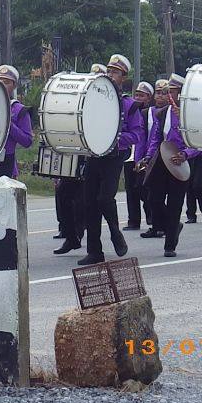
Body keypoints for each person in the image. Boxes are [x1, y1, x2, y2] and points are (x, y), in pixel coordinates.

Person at [77, 54, 142, 265]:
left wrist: (113, 138)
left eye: (115, 72)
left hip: (114, 155)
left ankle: (115, 232)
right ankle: (94, 251)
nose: (110, 75)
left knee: (104, 198)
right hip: (94, 154)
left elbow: (137, 134)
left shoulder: (130, 105)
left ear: (123, 77)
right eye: (109, 71)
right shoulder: (93, 100)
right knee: (88, 203)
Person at [141, 73, 197, 257]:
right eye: (167, 91)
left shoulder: (192, 113)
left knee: (175, 204)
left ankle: (170, 245)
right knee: (153, 199)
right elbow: (156, 137)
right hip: (162, 161)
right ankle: (172, 226)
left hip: (181, 162)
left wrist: (186, 154)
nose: (168, 94)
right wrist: (148, 157)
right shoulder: (163, 112)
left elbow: (198, 140)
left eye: (171, 91)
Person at [141, 80, 171, 239]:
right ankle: (159, 225)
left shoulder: (175, 112)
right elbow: (151, 137)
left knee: (164, 195)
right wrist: (145, 156)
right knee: (151, 194)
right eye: (158, 92)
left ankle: (167, 225)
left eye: (164, 92)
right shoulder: (151, 112)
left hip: (171, 157)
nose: (160, 96)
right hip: (155, 157)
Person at [0, 65, 33, 180]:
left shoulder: (19, 110)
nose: (2, 85)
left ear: (14, 85)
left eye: (6, 82)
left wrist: (8, 124)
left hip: (6, 161)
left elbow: (27, 141)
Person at [124, 81, 154, 231]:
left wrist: (145, 157)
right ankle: (133, 221)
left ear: (148, 98)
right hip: (129, 155)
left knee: (144, 188)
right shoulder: (129, 111)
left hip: (142, 156)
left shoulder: (150, 113)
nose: (138, 98)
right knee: (130, 189)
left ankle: (151, 214)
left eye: (142, 96)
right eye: (136, 95)